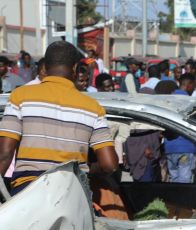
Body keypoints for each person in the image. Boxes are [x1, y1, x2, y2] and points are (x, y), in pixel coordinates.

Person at [0, 41, 118, 195]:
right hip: (73, 193)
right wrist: (87, 167)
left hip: (28, 191)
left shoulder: (20, 96)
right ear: (75, 68)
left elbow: (5, 153)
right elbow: (110, 164)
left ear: (45, 67)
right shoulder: (93, 107)